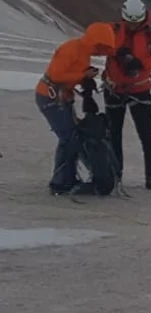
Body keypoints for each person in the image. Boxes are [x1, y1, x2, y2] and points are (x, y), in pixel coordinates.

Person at [35, 23, 117, 194]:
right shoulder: (71, 49)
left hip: (60, 97)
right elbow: (57, 75)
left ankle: (66, 179)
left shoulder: (83, 51)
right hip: (50, 97)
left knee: (71, 137)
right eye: (102, 47)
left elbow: (68, 74)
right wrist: (82, 76)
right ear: (95, 42)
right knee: (69, 138)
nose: (102, 52)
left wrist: (84, 79)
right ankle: (61, 182)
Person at [104, 0, 151, 189]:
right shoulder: (113, 29)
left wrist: (141, 64)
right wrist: (116, 52)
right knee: (112, 134)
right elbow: (95, 45)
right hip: (114, 89)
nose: (133, 25)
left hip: (140, 90)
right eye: (130, 21)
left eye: (137, 21)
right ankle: (115, 174)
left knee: (147, 134)